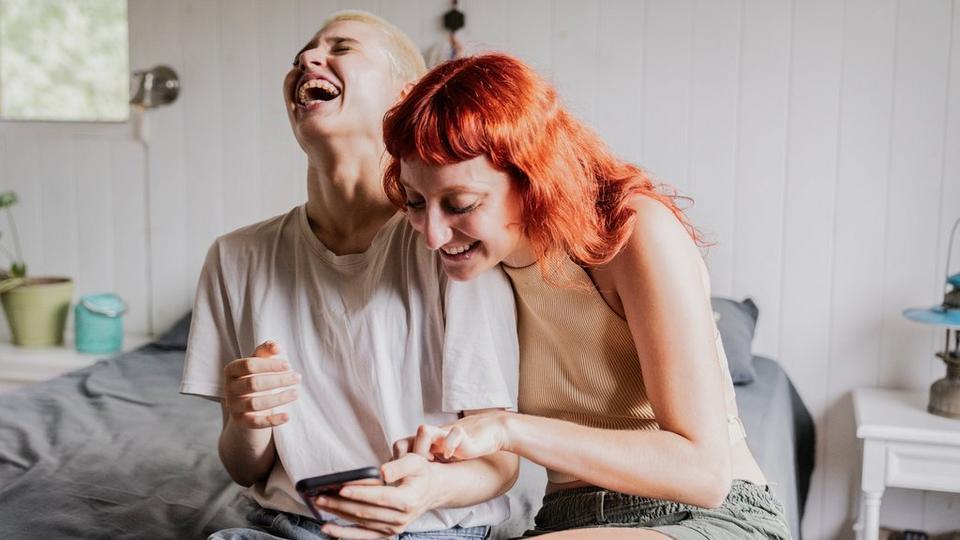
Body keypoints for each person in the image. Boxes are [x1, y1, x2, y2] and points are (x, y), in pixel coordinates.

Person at [369, 53, 792, 539]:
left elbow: (704, 473)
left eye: (460, 205)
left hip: (700, 516)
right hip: (564, 521)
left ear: (532, 178)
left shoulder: (635, 233)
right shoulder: (475, 266)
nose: (433, 235)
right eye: (417, 203)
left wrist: (510, 428)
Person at [180, 13, 519, 540]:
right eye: (302, 55)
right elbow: (244, 469)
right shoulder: (235, 257)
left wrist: (427, 489)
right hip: (281, 525)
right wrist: (247, 419)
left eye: (341, 48)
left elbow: (500, 464)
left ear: (405, 96)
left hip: (432, 527)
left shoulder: (453, 248)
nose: (306, 61)